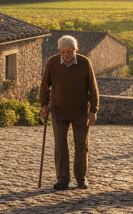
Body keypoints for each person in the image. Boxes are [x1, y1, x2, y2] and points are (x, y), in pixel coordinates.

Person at [39, 35, 99, 190]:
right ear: (59, 50)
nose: (67, 55)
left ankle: (81, 179)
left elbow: (93, 88)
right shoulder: (52, 62)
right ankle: (63, 179)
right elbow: (45, 85)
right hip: (58, 111)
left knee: (81, 146)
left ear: (75, 50)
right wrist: (44, 105)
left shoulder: (85, 63)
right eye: (64, 52)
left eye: (70, 51)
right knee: (60, 146)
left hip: (80, 111)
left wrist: (93, 110)